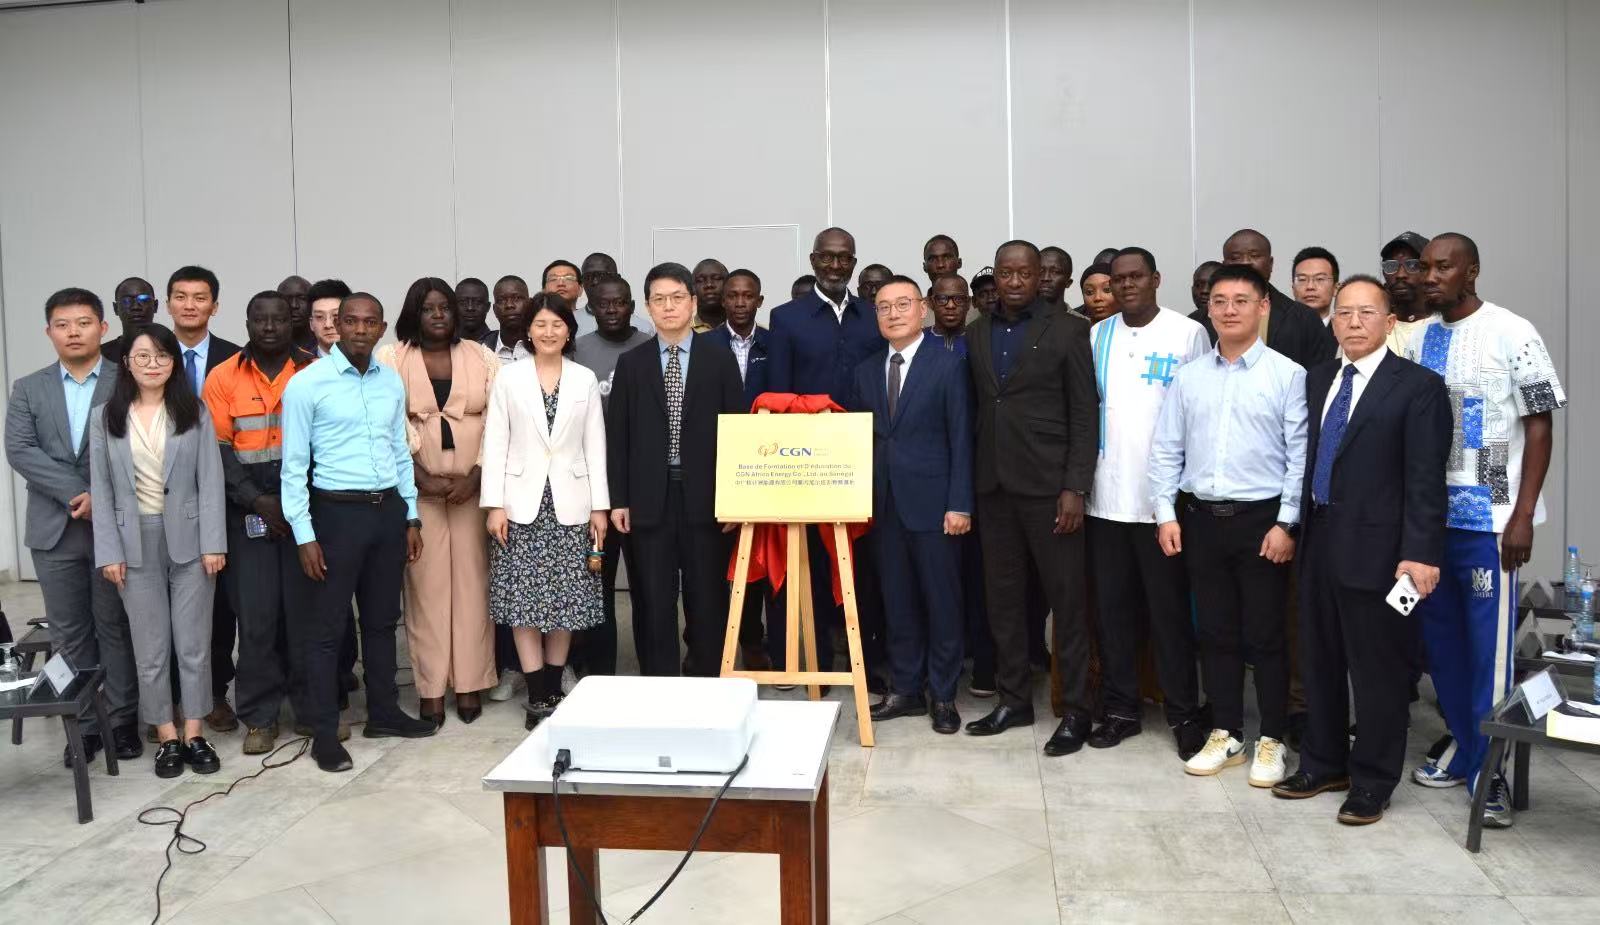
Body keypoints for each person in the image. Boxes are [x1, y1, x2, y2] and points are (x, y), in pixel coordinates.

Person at [1271, 275, 1451, 825]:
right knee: (1319, 661)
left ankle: (1372, 780)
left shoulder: (1418, 387)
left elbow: (1426, 479)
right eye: (1344, 313)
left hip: (1383, 553)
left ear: (1389, 322)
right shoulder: (1318, 378)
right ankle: (1324, 763)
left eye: (1366, 313)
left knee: (1378, 672)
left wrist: (1420, 553)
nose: (1353, 322)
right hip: (1318, 541)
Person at [1404, 233, 1566, 829]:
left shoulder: (1513, 332)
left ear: (1471, 271)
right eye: (1425, 267)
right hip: (1430, 522)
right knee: (1441, 649)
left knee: (1489, 657)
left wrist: (1522, 514)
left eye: (1443, 267)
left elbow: (1540, 425)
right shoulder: (1417, 338)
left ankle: (1488, 770)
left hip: (1491, 524)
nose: (1430, 277)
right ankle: (1467, 748)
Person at [1150, 263, 1307, 786]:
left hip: (1262, 523)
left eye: (1241, 301)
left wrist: (1286, 523)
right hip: (1200, 520)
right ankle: (1227, 732)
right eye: (1219, 301)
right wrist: (1165, 513)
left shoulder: (1287, 374)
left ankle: (1272, 739)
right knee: (1215, 632)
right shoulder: (1189, 376)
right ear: (1209, 309)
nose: (1229, 310)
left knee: (1266, 636)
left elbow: (1299, 459)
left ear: (1263, 307)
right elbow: (1167, 448)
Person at [281, 292, 437, 773]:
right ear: (336, 325)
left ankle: (384, 713)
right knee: (327, 629)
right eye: (351, 321)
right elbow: (293, 467)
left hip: (386, 512)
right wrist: (304, 535)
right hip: (334, 515)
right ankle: (325, 732)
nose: (360, 330)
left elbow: (399, 452)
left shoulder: (390, 380)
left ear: (382, 328)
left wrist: (410, 516)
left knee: (381, 620)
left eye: (370, 322)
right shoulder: (307, 384)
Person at [963, 240, 1098, 753]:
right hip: (994, 487)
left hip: (1050, 490)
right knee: (1003, 601)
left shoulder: (1068, 329)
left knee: (1067, 602)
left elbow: (1084, 413)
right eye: (1006, 273)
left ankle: (1077, 711)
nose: (1015, 282)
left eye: (1024, 273)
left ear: (1041, 275)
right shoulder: (977, 332)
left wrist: (1075, 487)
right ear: (995, 277)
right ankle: (1014, 700)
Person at [6, 288, 141, 766]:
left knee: (115, 626)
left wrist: (101, 495)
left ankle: (121, 722)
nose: (73, 332)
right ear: (49, 332)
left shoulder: (127, 380)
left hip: (115, 527)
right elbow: (20, 450)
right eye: (62, 325)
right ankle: (82, 726)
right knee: (67, 633)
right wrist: (77, 492)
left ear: (103, 328)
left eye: (83, 323)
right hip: (54, 528)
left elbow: (140, 444)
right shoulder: (29, 387)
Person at [1086, 248, 1211, 759]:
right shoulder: (1098, 334)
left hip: (1165, 506)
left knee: (1169, 615)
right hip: (1105, 501)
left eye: (1136, 276)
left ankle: (1183, 712)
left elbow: (1200, 415)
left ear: (1156, 279)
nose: (1126, 285)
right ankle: (1121, 709)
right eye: (1118, 279)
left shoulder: (1187, 334)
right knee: (1113, 614)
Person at [90, 322, 228, 778]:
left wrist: (214, 542)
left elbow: (210, 480)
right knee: (150, 648)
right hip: (133, 542)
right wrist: (109, 552)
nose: (153, 364)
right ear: (126, 362)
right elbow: (102, 489)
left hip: (192, 540)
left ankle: (195, 733)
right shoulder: (105, 416)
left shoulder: (194, 411)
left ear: (174, 363)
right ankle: (166, 736)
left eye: (162, 356)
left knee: (193, 645)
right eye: (143, 356)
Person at [607, 263, 745, 677]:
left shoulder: (719, 360)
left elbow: (736, 433)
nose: (669, 307)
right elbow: (618, 437)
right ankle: (660, 685)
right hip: (648, 499)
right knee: (653, 600)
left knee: (708, 600)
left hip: (707, 500)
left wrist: (735, 500)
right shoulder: (631, 364)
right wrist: (619, 500)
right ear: (648, 307)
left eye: (677, 298)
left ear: (694, 302)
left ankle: (708, 682)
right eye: (659, 299)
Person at [852, 277, 974, 734]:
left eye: (903, 304)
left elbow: (962, 437)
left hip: (937, 507)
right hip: (883, 507)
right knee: (897, 600)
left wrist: (960, 503)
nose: (893, 313)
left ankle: (942, 694)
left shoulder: (949, 363)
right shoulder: (866, 370)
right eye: (884, 307)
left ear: (923, 309)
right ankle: (905, 688)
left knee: (941, 602)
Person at [376, 278, 499, 726]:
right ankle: (430, 687)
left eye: (444, 307)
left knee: (473, 586)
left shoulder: (482, 357)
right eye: (428, 308)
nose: (438, 315)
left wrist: (478, 474)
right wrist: (418, 474)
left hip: (472, 490)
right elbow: (384, 422)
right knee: (425, 590)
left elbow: (499, 421)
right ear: (414, 312)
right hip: (417, 490)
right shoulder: (391, 358)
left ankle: (469, 683)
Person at [482, 293, 608, 725]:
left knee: (565, 604)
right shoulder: (509, 378)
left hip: (572, 505)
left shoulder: (584, 378)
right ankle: (537, 695)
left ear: (569, 330)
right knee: (524, 604)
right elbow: (495, 443)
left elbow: (595, 445)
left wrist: (600, 507)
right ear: (528, 331)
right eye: (541, 324)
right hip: (519, 507)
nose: (549, 332)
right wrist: (494, 505)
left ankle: (553, 687)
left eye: (557, 324)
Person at [767, 227, 888, 679]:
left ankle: (869, 664)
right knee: (813, 565)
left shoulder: (872, 316)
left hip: (866, 459)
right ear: (814, 259)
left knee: (867, 564)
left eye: (844, 258)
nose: (836, 266)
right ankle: (814, 661)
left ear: (854, 263)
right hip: (809, 463)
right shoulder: (787, 318)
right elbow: (778, 394)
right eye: (828, 257)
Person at [200, 291, 317, 755]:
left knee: (306, 617)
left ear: (292, 322)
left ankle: (312, 711)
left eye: (278, 319)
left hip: (303, 511)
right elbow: (217, 450)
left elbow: (327, 442)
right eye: (259, 319)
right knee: (256, 619)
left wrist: (291, 503)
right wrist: (256, 500)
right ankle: (259, 718)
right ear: (247, 323)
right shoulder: (222, 376)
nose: (269, 327)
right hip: (245, 512)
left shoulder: (314, 371)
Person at [164, 266, 243, 734]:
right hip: (162, 499)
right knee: (165, 603)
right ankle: (172, 698)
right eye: (181, 296)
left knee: (219, 603)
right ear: (168, 304)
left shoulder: (234, 357)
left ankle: (213, 693)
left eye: (199, 297)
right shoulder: (149, 354)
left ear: (215, 306)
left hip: (222, 496)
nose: (189, 305)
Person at [571, 273, 654, 678]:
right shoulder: (578, 350)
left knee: (647, 585)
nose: (611, 310)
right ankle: (599, 673)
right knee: (596, 583)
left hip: (640, 487)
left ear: (632, 306)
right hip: (591, 488)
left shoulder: (650, 347)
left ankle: (652, 670)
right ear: (591, 307)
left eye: (619, 302)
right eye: (603, 303)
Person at [704, 268, 774, 670]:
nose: (741, 302)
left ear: (759, 300)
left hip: (765, 462)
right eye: (733, 295)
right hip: (715, 461)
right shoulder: (704, 344)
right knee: (715, 561)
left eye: (749, 296)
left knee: (758, 560)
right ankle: (711, 643)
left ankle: (752, 639)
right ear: (723, 300)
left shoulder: (775, 343)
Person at [1219, 228, 1337, 369]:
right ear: (1224, 265)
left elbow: (1318, 375)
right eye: (1236, 258)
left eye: (1254, 256)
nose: (1245, 263)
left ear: (1271, 264)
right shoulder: (1201, 320)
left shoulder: (1305, 318)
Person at [1380, 231, 1433, 352]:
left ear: (1430, 271)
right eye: (1391, 266)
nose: (1400, 274)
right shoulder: (1373, 329)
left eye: (1413, 265)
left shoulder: (1447, 324)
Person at [103, 277, 159, 365]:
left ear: (155, 306)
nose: (135, 307)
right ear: (116, 308)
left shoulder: (173, 349)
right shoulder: (100, 355)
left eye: (144, 300)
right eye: (126, 301)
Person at [485, 275, 533, 361]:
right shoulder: (479, 350)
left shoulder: (546, 347)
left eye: (517, 298)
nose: (509, 305)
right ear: (494, 310)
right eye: (501, 300)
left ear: (530, 304)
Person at [1292, 247, 1339, 324]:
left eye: (1320, 279)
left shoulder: (1346, 330)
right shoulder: (1276, 329)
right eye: (1302, 279)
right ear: (1293, 288)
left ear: (1335, 288)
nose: (1310, 287)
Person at [307, 278, 351, 358]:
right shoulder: (302, 364)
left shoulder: (368, 361)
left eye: (336, 315)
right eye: (320, 317)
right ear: (311, 324)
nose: (328, 325)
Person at [928, 274, 971, 354]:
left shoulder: (980, 340)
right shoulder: (917, 339)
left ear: (968, 303)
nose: (950, 306)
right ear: (931, 303)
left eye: (958, 299)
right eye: (942, 299)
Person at [278, 275, 315, 354]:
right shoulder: (269, 347)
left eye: (302, 298)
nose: (294, 305)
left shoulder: (325, 344)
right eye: (287, 299)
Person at [692, 258, 728, 332]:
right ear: (692, 288)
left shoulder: (748, 329)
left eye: (717, 278)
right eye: (700, 280)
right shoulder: (681, 331)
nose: (709, 284)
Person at [456, 277, 493, 344]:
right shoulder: (442, 344)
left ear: (488, 307)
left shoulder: (498, 345)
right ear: (454, 306)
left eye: (478, 302)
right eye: (463, 302)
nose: (470, 308)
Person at [1039, 246, 1076, 315]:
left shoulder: (1081, 321)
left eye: (1055, 272)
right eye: (1040, 271)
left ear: (1068, 282)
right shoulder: (1018, 319)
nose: (1046, 278)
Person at [1190, 260, 1222, 329]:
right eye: (1198, 285)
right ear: (1192, 289)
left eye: (1212, 285)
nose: (1204, 291)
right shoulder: (1188, 324)